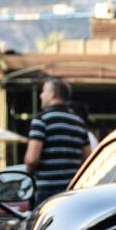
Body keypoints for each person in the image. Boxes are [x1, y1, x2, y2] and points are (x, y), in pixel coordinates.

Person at [25, 77, 91, 207]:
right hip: (72, 192)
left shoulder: (42, 119)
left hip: (47, 193)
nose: (40, 95)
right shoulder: (79, 122)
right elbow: (88, 159)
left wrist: (29, 171)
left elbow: (32, 159)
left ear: (53, 94)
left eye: (44, 91)